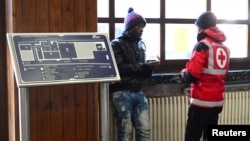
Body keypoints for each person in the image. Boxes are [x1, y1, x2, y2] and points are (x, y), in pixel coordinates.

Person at [109, 7, 160, 141]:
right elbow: (119, 68)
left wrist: (150, 68)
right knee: (125, 131)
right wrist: (144, 66)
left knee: (144, 130)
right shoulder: (116, 44)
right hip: (121, 91)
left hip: (138, 91)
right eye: (138, 25)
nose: (141, 29)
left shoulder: (141, 45)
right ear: (130, 27)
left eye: (142, 26)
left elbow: (141, 69)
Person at [180, 11, 230, 141]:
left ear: (202, 28)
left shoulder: (202, 45)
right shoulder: (225, 48)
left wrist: (184, 73)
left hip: (201, 102)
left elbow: (192, 75)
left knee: (192, 136)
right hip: (217, 102)